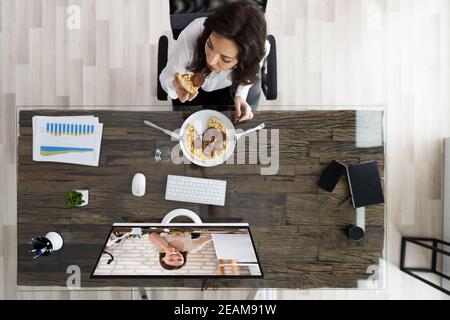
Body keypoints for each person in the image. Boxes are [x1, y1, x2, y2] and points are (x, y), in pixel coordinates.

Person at [159, 0, 270, 123]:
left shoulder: (261, 49)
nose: (210, 61)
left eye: (225, 59)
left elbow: (250, 71)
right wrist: (175, 85)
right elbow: (167, 75)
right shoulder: (193, 33)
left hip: (232, 86)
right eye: (210, 45)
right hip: (193, 91)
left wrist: (241, 96)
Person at [148, 231, 213, 270]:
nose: (176, 257)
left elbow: (152, 234)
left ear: (163, 259)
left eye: (171, 260)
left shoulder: (156, 249)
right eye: (180, 259)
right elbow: (211, 237)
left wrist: (166, 247)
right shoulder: (191, 248)